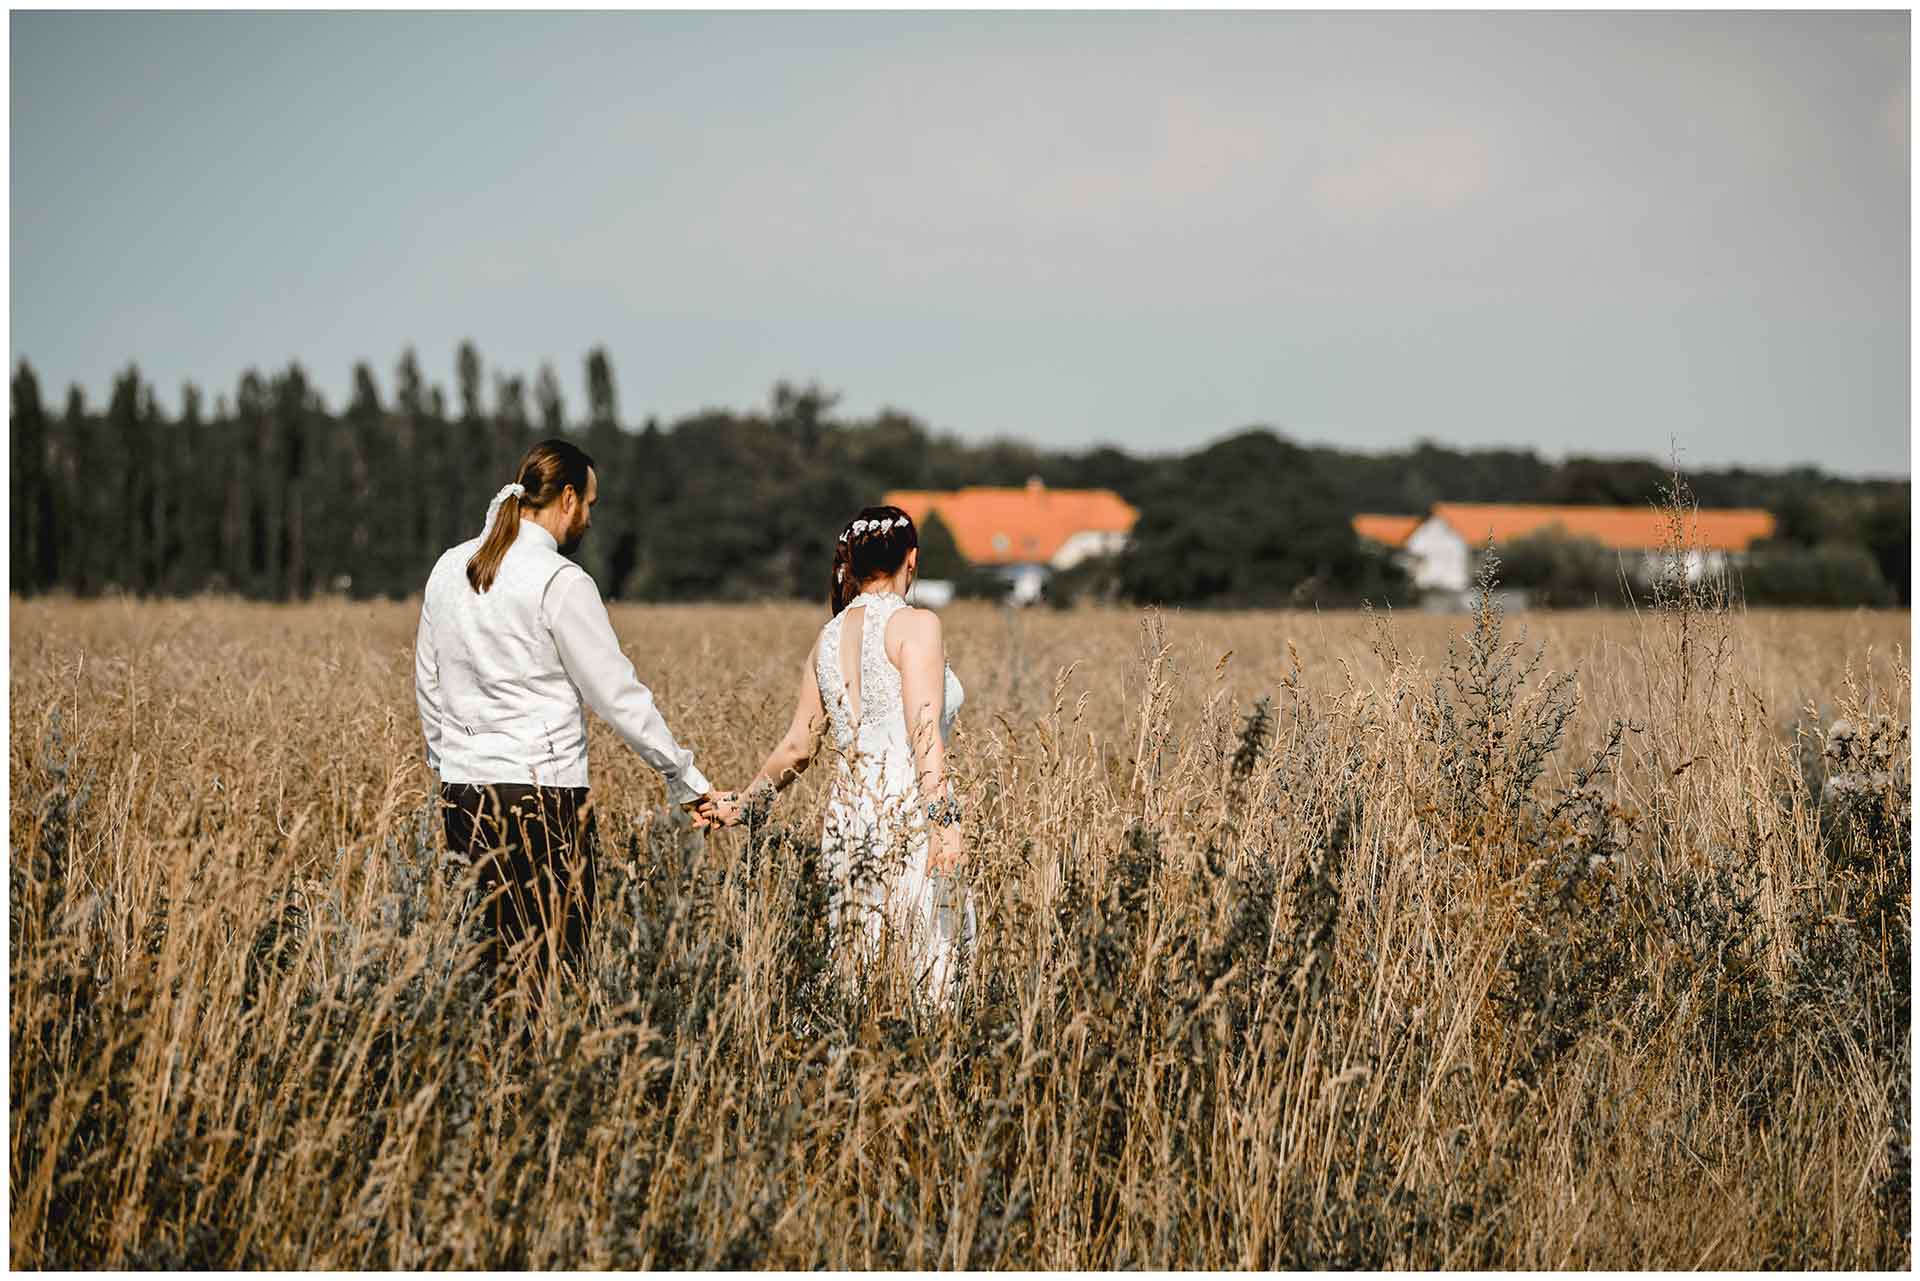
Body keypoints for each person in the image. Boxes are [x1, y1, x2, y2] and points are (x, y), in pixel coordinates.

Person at [414, 438, 721, 1018]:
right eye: (591, 505)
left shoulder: (448, 568)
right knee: (555, 973)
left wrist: (450, 765)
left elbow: (428, 684)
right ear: (570, 498)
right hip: (544, 800)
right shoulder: (561, 581)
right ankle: (545, 1095)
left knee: (485, 973)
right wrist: (685, 779)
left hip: (464, 798)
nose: (589, 520)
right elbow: (618, 696)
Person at [719, 505, 974, 1005]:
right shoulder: (916, 625)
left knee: (859, 964)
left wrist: (744, 802)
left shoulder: (829, 636)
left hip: (850, 816)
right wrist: (944, 823)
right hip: (907, 811)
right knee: (930, 968)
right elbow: (923, 731)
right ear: (912, 559)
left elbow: (798, 746)